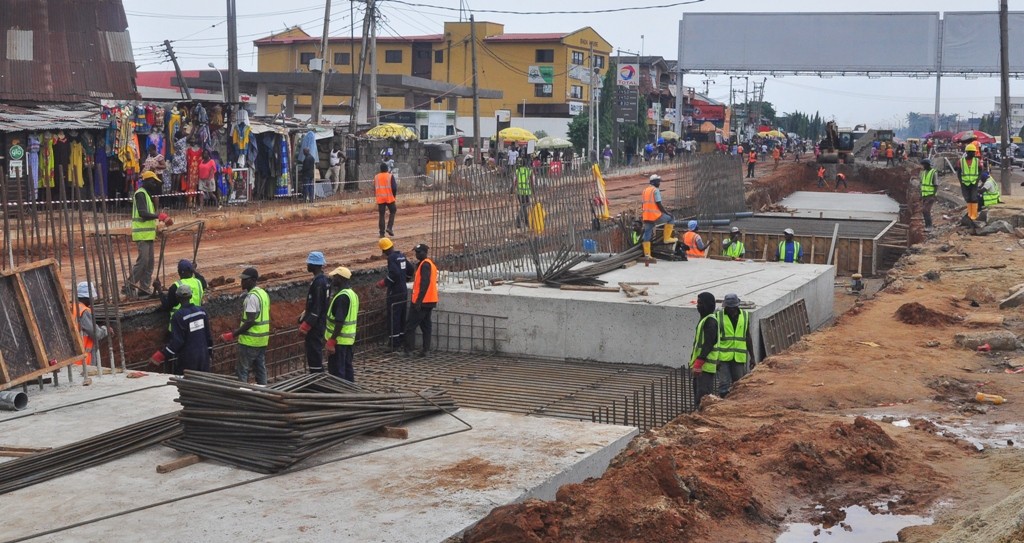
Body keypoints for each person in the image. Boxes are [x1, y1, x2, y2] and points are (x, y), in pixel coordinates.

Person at [221, 267, 270, 385]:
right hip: (262, 340)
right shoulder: (263, 293)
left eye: (245, 280)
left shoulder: (251, 297)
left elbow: (250, 321)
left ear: (253, 280)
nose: (242, 282)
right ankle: (264, 391)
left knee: (242, 371)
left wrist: (232, 335)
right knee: (260, 369)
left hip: (250, 341)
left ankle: (242, 395)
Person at [150, 284, 212, 375]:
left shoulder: (179, 316)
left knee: (186, 385)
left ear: (177, 297)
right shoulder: (201, 312)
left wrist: (161, 355)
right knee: (202, 385)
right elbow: (208, 336)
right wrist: (209, 353)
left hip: (188, 359)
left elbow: (177, 341)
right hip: (203, 356)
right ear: (191, 296)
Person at [128, 171, 170, 297]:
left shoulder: (147, 195)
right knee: (143, 261)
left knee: (149, 263)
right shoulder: (140, 194)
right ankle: (129, 285)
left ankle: (144, 288)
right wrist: (159, 216)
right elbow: (142, 213)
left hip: (148, 235)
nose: (154, 185)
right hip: (142, 235)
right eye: (152, 182)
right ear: (146, 181)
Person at [715, 293, 753, 398]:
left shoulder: (745, 316)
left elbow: (747, 336)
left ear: (737, 306)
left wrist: (752, 357)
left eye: (733, 308)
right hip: (723, 357)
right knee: (724, 384)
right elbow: (715, 338)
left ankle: (737, 406)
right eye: (728, 308)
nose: (731, 310)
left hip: (739, 356)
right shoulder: (719, 316)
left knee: (739, 384)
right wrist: (716, 358)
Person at [325, 266, 359, 381]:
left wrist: (332, 341)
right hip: (348, 340)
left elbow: (339, 322)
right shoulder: (352, 294)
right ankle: (350, 393)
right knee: (347, 368)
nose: (333, 279)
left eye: (335, 277)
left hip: (339, 341)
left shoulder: (342, 297)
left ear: (340, 278)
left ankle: (339, 395)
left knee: (337, 371)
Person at [404, 243, 438, 357]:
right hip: (430, 301)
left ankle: (408, 351)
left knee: (410, 326)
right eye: (416, 252)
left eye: (419, 252)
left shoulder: (425, 265)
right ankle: (426, 350)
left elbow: (425, 283)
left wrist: (418, 301)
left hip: (422, 302)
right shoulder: (428, 264)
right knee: (426, 326)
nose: (417, 254)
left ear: (425, 253)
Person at [298, 251, 329, 373]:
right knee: (314, 350)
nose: (307, 265)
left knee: (314, 351)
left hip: (316, 325)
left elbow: (317, 307)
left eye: (309, 263)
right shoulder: (323, 280)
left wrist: (306, 325)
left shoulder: (319, 283)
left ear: (315, 265)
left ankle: (316, 377)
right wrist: (306, 314)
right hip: (318, 322)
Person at [155, 259, 206, 331]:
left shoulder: (176, 286)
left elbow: (166, 306)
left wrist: (159, 290)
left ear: (179, 272)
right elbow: (202, 280)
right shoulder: (199, 282)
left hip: (179, 324)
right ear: (192, 271)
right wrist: (194, 270)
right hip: (196, 322)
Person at [377, 237, 408, 351]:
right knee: (401, 315)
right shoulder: (401, 255)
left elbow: (394, 274)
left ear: (384, 250)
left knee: (393, 316)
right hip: (403, 290)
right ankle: (401, 340)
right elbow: (409, 269)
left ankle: (394, 344)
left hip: (395, 292)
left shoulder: (391, 258)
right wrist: (403, 280)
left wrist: (384, 283)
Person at [690, 292, 719, 408]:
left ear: (707, 305)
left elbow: (708, 343)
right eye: (697, 303)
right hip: (702, 367)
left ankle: (702, 419)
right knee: (699, 397)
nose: (698, 306)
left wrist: (699, 363)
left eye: (700, 303)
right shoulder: (705, 319)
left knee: (703, 398)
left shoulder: (710, 321)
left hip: (705, 367)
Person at [640, 175, 678, 261]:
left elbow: (643, 204)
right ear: (654, 182)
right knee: (671, 218)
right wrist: (667, 213)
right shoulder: (655, 190)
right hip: (655, 215)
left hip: (647, 216)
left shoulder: (645, 190)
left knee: (647, 234)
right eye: (658, 181)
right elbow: (659, 204)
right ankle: (667, 238)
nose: (659, 183)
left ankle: (647, 254)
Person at [73, 282, 108, 367]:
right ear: (87, 297)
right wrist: (105, 330)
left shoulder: (72, 308)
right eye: (92, 297)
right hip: (83, 361)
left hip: (73, 359)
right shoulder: (84, 311)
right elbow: (96, 334)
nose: (93, 299)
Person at [957, 142, 982, 221]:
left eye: (974, 152)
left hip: (974, 183)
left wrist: (978, 180)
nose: (974, 153)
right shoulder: (961, 161)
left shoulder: (977, 161)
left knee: (974, 198)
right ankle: (970, 214)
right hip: (965, 183)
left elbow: (980, 171)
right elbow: (959, 173)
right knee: (967, 198)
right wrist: (961, 182)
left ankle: (974, 215)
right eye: (972, 152)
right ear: (967, 152)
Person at [374, 162, 398, 237]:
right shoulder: (390, 176)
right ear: (387, 169)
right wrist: (393, 196)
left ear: (380, 169)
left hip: (380, 198)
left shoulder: (376, 177)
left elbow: (374, 187)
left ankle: (381, 233)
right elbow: (394, 188)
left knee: (381, 215)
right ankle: (389, 227)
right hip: (389, 197)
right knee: (393, 211)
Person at [512, 162, 534, 229]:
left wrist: (512, 191)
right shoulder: (529, 171)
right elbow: (531, 182)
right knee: (524, 205)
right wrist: (533, 191)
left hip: (519, 192)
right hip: (526, 191)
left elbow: (515, 182)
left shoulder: (517, 171)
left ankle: (526, 221)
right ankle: (518, 221)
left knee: (523, 206)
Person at [920, 159, 936, 230]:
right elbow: (922, 184)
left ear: (927, 165)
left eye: (924, 165)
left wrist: (934, 195)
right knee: (924, 211)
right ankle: (927, 225)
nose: (923, 166)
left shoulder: (933, 173)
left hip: (930, 195)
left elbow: (936, 185)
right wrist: (921, 194)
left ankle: (929, 226)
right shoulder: (923, 173)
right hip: (924, 195)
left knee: (926, 210)